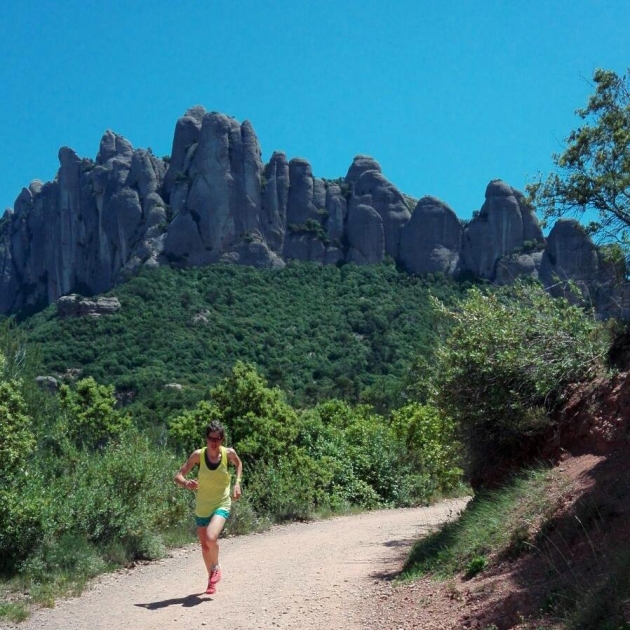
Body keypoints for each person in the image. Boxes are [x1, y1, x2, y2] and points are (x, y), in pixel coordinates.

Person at [175, 420, 243, 595]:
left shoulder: (229, 453)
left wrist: (237, 483)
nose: (214, 442)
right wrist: (186, 483)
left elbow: (239, 464)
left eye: (218, 438)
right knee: (205, 546)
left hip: (221, 502)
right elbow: (178, 475)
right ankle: (211, 579)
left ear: (222, 439)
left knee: (211, 538)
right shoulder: (198, 455)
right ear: (206, 438)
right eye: (211, 438)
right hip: (202, 506)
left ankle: (216, 566)